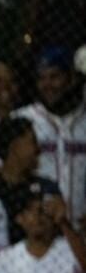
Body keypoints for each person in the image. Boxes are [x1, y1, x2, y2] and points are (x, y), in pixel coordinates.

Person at [12, 47, 86, 223]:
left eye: (55, 77)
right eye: (41, 78)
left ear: (72, 79)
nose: (47, 85)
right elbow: (2, 170)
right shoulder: (22, 119)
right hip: (38, 227)